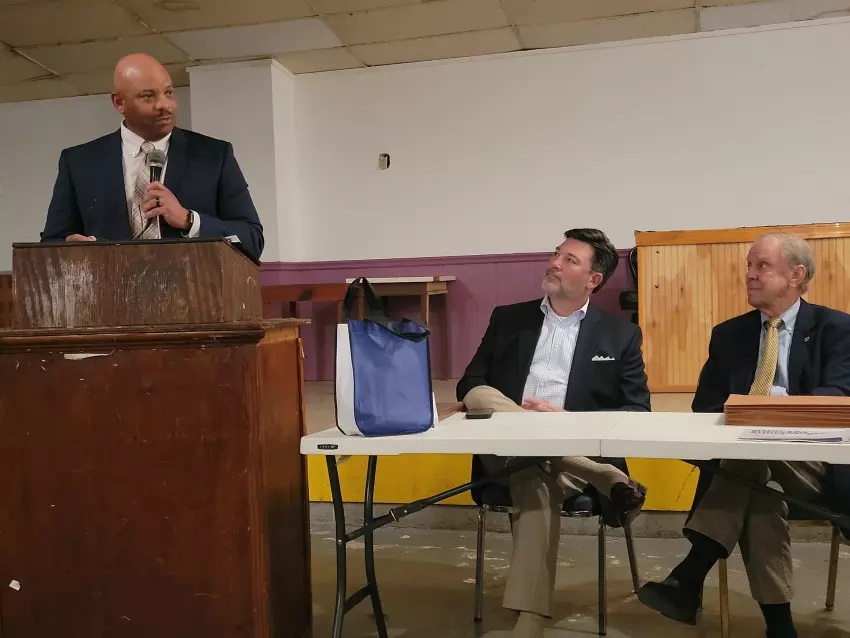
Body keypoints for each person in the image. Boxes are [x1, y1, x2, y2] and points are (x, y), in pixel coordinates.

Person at [638, 232, 850, 638]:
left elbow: (838, 396)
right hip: (754, 465)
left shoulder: (837, 328)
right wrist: (750, 417)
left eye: (762, 266)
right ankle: (780, 628)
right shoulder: (729, 334)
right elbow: (706, 405)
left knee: (748, 461)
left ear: (796, 275)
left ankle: (691, 573)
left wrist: (769, 405)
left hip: (819, 465)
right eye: (748, 266)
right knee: (759, 491)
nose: (750, 274)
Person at [456, 228, 650, 638]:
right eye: (556, 254)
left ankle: (530, 619)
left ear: (593, 279)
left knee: (533, 475)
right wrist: (518, 420)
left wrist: (566, 419)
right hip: (505, 448)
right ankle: (602, 474)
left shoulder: (620, 335)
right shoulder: (508, 319)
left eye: (569, 260)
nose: (554, 263)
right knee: (480, 395)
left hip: (567, 445)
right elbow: (469, 383)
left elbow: (637, 411)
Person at [40, 53, 264, 263]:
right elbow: (52, 242)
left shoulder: (214, 155)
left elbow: (253, 239)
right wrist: (70, 247)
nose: (164, 105)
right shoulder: (79, 162)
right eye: (148, 96)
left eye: (169, 93)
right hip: (109, 287)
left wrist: (189, 220)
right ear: (119, 103)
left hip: (193, 289)